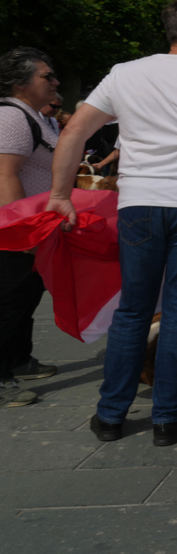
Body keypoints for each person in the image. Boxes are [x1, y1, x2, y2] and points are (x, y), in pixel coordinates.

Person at [46, 0, 177, 447]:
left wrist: (60, 196)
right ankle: (169, 416)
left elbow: (73, 132)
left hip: (139, 203)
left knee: (133, 310)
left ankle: (110, 415)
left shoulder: (125, 73)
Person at [0, 48, 62, 409]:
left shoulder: (35, 116)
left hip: (35, 228)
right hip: (14, 231)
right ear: (19, 83)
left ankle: (20, 359)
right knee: (9, 301)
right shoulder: (11, 117)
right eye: (46, 76)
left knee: (26, 297)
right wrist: (21, 230)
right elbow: (5, 175)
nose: (55, 82)